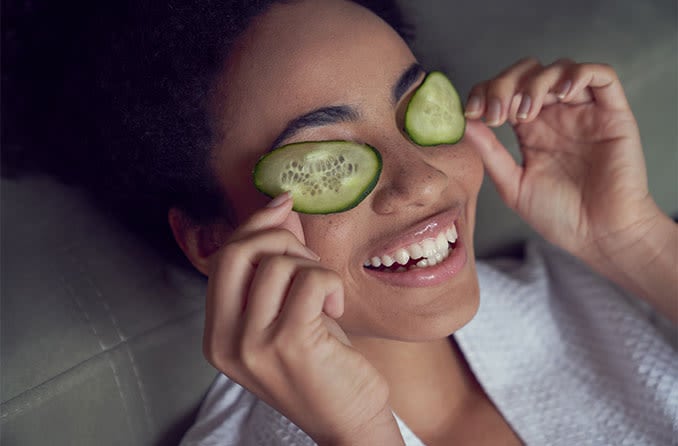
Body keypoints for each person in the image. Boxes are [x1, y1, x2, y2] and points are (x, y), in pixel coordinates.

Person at [88, 0, 676, 444]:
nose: (420, 181)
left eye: (416, 110)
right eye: (325, 161)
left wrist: (637, 243)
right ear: (213, 241)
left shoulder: (600, 287)